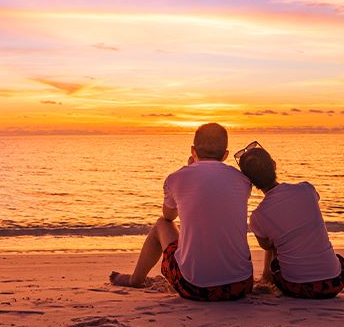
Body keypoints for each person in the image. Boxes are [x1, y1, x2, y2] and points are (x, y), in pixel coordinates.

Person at [109, 123, 254, 301]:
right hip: (241, 285)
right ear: (225, 155)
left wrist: (189, 170)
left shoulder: (175, 178)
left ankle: (135, 279)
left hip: (194, 287)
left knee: (161, 224)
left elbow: (169, 216)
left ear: (193, 150)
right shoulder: (243, 180)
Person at [236, 142, 344, 299]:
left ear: (250, 182)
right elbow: (315, 200)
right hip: (334, 282)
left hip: (297, 286)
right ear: (274, 165)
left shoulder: (258, 216)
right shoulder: (306, 190)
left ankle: (267, 277)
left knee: (273, 237)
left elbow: (267, 246)